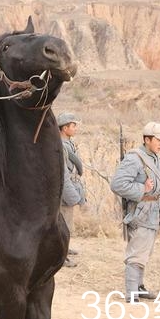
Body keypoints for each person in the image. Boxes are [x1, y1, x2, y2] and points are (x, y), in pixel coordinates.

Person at [110, 121, 160, 303]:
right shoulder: (134, 158)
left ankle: (139, 286)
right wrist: (142, 188)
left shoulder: (155, 157)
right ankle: (132, 293)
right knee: (136, 253)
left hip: (153, 211)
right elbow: (117, 184)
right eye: (158, 140)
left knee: (145, 252)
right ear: (147, 139)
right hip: (141, 211)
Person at [58, 112, 86, 268]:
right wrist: (73, 197)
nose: (76, 128)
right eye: (73, 126)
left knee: (67, 224)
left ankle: (65, 249)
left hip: (72, 186)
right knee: (63, 226)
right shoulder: (61, 146)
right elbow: (63, 175)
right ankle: (61, 257)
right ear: (64, 128)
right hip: (65, 191)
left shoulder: (68, 144)